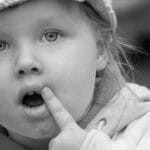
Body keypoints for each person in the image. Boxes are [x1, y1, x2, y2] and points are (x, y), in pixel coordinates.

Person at [0, 0, 150, 150]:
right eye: (1, 46)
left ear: (100, 49)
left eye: (51, 36)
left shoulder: (143, 128)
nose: (25, 63)